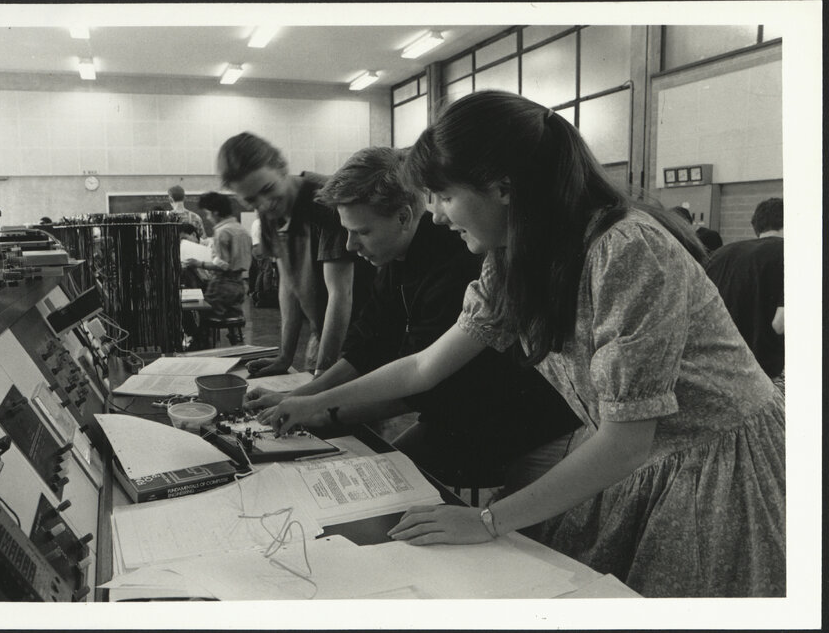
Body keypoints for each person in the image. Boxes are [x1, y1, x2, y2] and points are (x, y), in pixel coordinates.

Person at [258, 90, 785, 598]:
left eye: (444, 196)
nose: (437, 215)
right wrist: (312, 401)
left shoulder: (626, 249)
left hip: (716, 469)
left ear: (503, 187)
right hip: (643, 461)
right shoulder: (511, 257)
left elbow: (627, 441)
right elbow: (423, 366)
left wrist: (486, 520)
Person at [245, 146, 582, 488]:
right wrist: (304, 397)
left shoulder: (460, 264)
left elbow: (420, 382)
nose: (349, 246)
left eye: (362, 232)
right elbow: (369, 344)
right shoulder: (396, 259)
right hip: (455, 414)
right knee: (387, 479)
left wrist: (322, 411)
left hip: (519, 426)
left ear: (405, 217)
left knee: (394, 487)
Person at [216, 132, 372, 377]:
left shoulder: (326, 202)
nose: (265, 204)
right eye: (251, 200)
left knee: (345, 409)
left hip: (361, 335)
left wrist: (323, 374)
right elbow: (288, 285)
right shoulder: (270, 212)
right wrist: (284, 357)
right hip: (321, 331)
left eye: (268, 189)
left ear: (281, 167)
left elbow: (341, 294)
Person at [705, 198, 784, 385]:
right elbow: (780, 324)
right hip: (763, 376)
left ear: (756, 224)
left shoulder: (721, 254)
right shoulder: (791, 254)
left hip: (716, 368)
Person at [185, 192, 253, 322]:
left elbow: (222, 265)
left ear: (215, 212)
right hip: (240, 286)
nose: (208, 218)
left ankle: (200, 341)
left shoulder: (222, 232)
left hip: (222, 286)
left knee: (199, 317)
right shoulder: (242, 230)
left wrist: (198, 263)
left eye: (208, 214)